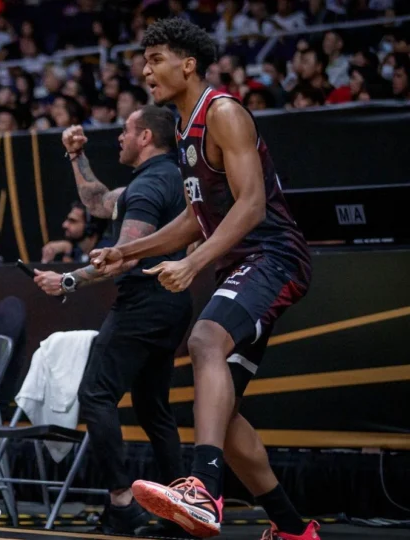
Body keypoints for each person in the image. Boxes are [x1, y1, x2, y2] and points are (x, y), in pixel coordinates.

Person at [90, 18, 319, 540]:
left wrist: (193, 264)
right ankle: (293, 530)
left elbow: (252, 204)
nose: (145, 71)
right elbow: (198, 216)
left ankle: (205, 490)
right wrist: (128, 251)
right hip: (244, 261)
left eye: (155, 60)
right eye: (144, 61)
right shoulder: (186, 127)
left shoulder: (223, 113)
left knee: (204, 338)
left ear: (187, 64)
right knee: (227, 416)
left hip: (274, 256)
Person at [33, 107, 192, 536]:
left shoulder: (149, 186)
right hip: (172, 307)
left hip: (145, 305)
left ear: (145, 137)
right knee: (153, 409)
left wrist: (66, 280)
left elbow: (122, 258)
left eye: (125, 131)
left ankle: (122, 502)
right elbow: (98, 202)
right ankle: (184, 510)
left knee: (96, 394)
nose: (119, 137)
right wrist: (76, 156)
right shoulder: (162, 178)